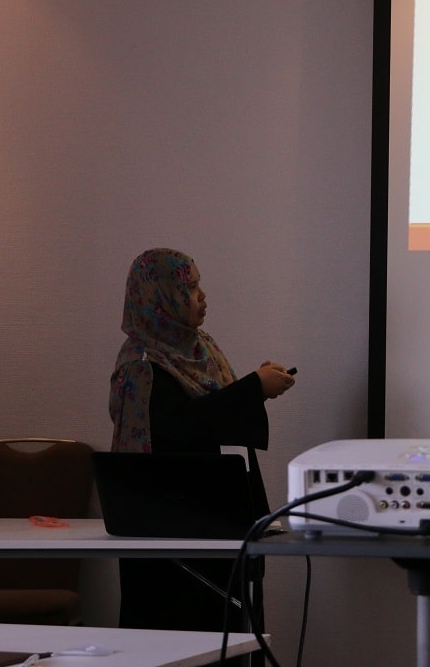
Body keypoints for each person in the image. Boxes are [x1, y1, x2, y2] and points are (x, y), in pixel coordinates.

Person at [108, 247, 295, 633]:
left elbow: (212, 415)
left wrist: (254, 387)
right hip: (166, 535)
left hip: (211, 521)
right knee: (181, 639)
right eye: (190, 288)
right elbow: (182, 428)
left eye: (198, 285)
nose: (202, 296)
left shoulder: (198, 349)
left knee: (224, 633)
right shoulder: (141, 366)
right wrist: (253, 389)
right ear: (161, 297)